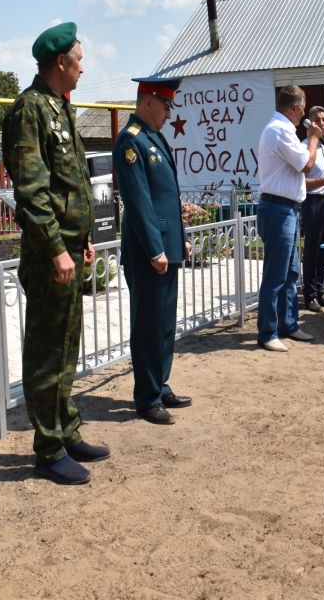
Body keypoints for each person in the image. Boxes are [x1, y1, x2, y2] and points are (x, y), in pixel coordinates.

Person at [2, 22, 108, 485]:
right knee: (47, 351)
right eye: (79, 60)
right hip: (49, 256)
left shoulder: (60, 109)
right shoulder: (29, 111)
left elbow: (72, 184)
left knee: (67, 346)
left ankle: (66, 431)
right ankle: (47, 449)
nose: (83, 68)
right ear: (60, 63)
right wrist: (55, 250)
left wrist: (81, 239)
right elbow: (33, 191)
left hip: (67, 247)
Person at [113, 76, 193, 424]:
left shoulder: (154, 137)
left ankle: (160, 384)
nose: (167, 113)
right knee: (147, 324)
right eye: (165, 106)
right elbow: (140, 202)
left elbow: (168, 198)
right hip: (150, 250)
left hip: (166, 245)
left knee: (163, 322)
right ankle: (146, 397)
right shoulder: (130, 142)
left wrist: (181, 235)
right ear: (148, 103)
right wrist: (155, 249)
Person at [256, 85, 324, 352]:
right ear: (295, 108)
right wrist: (314, 139)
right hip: (278, 209)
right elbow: (306, 164)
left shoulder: (284, 130)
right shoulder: (279, 131)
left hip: (287, 209)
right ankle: (268, 332)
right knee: (276, 274)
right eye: (303, 107)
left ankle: (288, 323)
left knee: (290, 271)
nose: (305, 113)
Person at [301, 106, 324, 312]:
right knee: (312, 250)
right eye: (317, 120)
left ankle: (321, 291)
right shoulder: (305, 146)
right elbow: (302, 180)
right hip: (312, 202)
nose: (322, 124)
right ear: (310, 123)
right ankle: (309, 295)